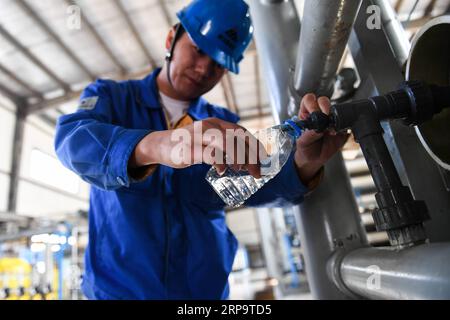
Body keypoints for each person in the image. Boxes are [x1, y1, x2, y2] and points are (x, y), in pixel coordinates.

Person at [55, 0, 348, 299]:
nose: (204, 68)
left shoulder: (224, 123)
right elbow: (72, 141)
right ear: (171, 39)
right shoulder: (112, 98)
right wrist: (156, 145)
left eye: (219, 64)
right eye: (199, 50)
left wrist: (303, 162)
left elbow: (257, 184)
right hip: (119, 293)